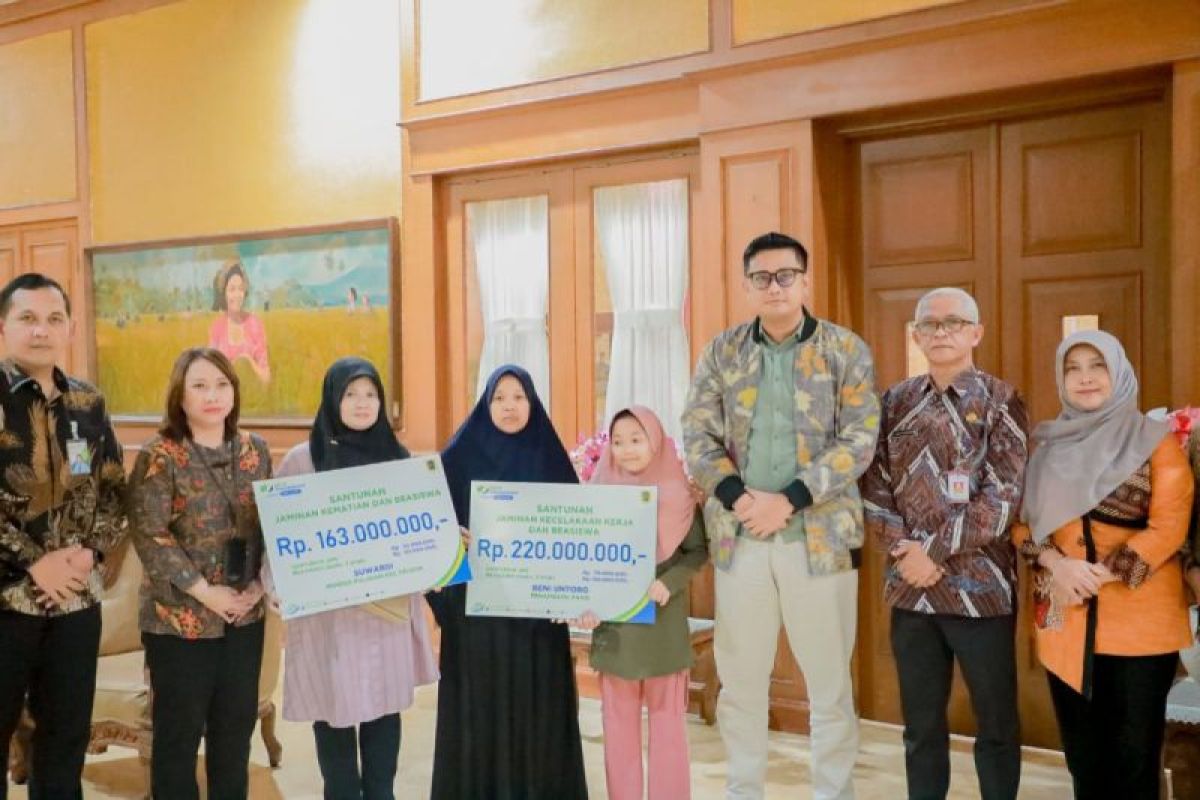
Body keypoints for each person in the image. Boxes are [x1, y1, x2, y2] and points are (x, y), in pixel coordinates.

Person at [682, 232, 879, 800]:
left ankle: (832, 793)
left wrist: (789, 499)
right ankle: (743, 789)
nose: (775, 286)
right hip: (740, 539)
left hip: (819, 541)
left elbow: (859, 439)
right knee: (741, 681)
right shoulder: (722, 352)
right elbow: (696, 433)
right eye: (762, 278)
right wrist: (741, 499)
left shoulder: (844, 350)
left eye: (785, 275)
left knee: (829, 685)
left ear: (805, 281)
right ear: (747, 286)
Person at [860, 288, 1028, 800]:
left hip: (981, 591)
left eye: (953, 322)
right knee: (920, 727)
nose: (941, 332)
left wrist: (930, 552)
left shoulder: (1002, 401)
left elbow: (1002, 499)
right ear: (916, 336)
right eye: (930, 325)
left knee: (996, 723)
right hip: (911, 591)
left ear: (976, 333)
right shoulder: (895, 401)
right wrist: (906, 552)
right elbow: (873, 487)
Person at [1013, 330, 1193, 800]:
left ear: (1120, 373)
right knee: (1083, 761)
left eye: (1098, 366)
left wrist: (1100, 574)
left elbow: (1170, 527)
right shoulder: (1047, 449)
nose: (1085, 378)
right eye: (1072, 368)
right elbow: (1022, 527)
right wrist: (1057, 565)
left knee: (1134, 761)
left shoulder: (1156, 443)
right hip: (1065, 623)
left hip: (1140, 627)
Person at [270, 357, 438, 800]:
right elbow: (276, 534)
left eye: (371, 394)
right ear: (332, 398)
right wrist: (276, 585)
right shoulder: (303, 461)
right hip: (330, 619)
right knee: (333, 711)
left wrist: (440, 554)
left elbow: (421, 535)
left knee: (384, 711)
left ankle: (381, 793)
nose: (362, 403)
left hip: (385, 615)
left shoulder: (399, 460)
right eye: (350, 394)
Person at [427, 364, 588, 799]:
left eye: (519, 397)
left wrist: (574, 593)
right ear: (486, 403)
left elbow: (580, 535)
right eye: (499, 397)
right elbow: (428, 532)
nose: (509, 406)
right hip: (476, 620)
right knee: (479, 712)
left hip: (536, 622)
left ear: (532, 402)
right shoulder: (456, 460)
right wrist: (450, 540)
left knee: (537, 712)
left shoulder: (549, 458)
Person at [0, 273, 127, 800]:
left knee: (64, 742)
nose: (41, 330)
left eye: (54, 319)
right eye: (27, 318)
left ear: (70, 328)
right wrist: (36, 562)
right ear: (4, 327)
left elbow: (113, 488)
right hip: (7, 600)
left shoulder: (88, 403)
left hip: (76, 603)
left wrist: (88, 554)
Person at [128, 347, 271, 800]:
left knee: (234, 737)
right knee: (178, 739)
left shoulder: (254, 451)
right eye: (200, 386)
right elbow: (150, 534)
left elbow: (272, 525)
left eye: (222, 384)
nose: (213, 395)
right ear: (180, 395)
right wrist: (207, 592)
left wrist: (257, 587)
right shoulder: (160, 455)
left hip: (244, 616)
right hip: (180, 621)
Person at [574, 406, 707, 800]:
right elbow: (582, 562)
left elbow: (697, 552)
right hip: (616, 634)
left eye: (636, 439)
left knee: (669, 734)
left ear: (656, 442)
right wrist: (585, 603)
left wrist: (669, 582)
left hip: (663, 632)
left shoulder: (680, 495)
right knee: (618, 735)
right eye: (618, 441)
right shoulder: (597, 496)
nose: (627, 449)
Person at [208, 259, 270, 384]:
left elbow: (266, 378)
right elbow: (210, 375)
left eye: (241, 289)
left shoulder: (255, 324)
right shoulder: (217, 328)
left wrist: (248, 362)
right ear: (224, 293)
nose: (237, 295)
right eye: (232, 289)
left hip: (253, 394)